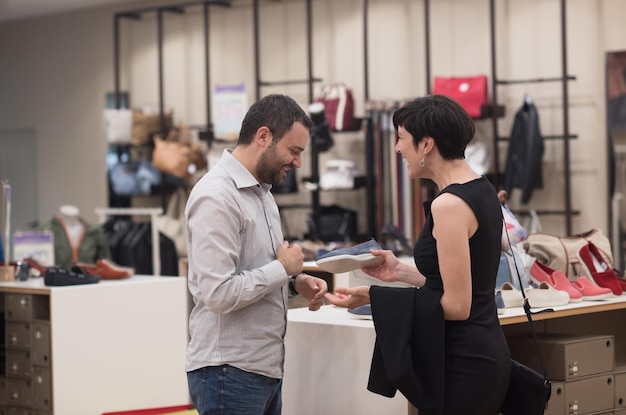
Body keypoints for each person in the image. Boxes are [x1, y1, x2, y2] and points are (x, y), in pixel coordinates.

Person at [325, 95, 511, 415]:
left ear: (426, 144)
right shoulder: (481, 189)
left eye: (401, 139)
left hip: (463, 361)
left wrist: (375, 297)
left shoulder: (449, 205)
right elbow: (460, 283)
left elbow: (457, 305)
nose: (397, 149)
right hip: (479, 352)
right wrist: (401, 272)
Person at [185, 93, 328, 415]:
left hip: (261, 368)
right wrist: (282, 269)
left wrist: (294, 282)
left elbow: (254, 271)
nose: (298, 163)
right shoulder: (216, 197)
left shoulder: (262, 194)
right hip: (229, 371)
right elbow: (218, 294)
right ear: (263, 136)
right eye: (294, 151)